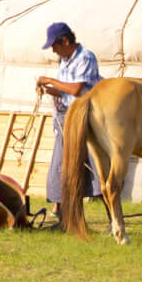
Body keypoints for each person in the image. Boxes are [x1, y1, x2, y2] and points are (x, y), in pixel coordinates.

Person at [36, 22, 101, 211]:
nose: (54, 51)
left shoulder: (85, 57)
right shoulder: (64, 60)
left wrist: (49, 79)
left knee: (92, 163)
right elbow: (65, 92)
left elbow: (76, 89)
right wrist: (47, 90)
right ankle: (60, 206)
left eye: (54, 46)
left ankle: (108, 207)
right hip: (66, 116)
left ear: (65, 41)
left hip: (85, 116)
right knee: (60, 162)